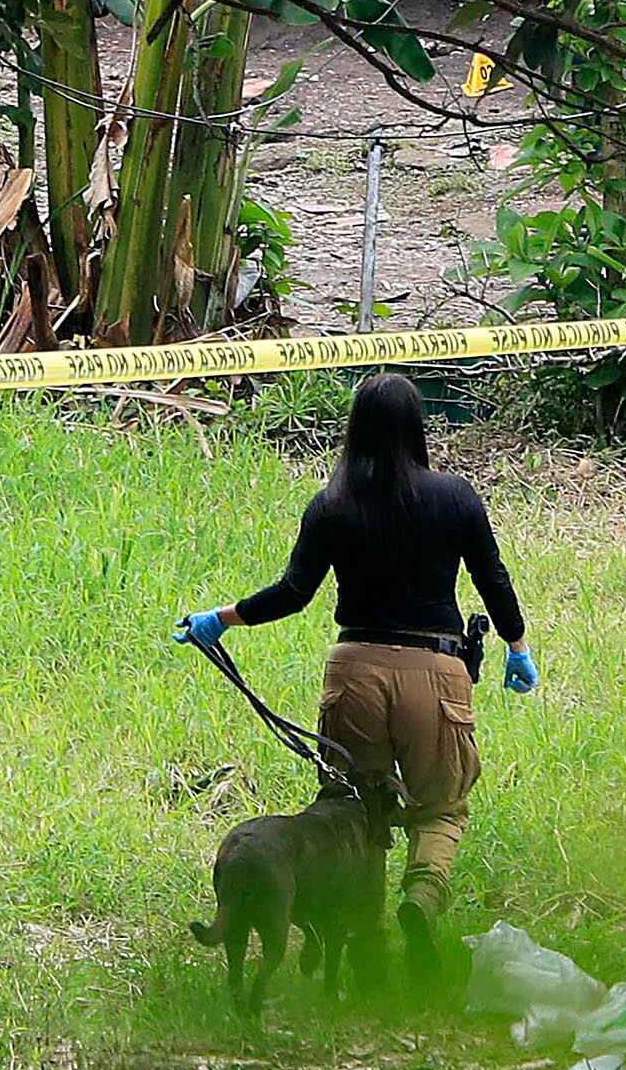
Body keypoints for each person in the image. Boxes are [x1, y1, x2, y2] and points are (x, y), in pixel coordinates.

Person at [179, 374, 536, 992]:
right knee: (440, 808)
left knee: (355, 813)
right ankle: (421, 899)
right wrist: (516, 645)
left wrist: (221, 619)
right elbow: (492, 577)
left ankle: (368, 961)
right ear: (418, 427)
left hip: (355, 672)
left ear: (355, 429)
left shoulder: (332, 504)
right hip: (435, 670)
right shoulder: (456, 497)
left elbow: (294, 593)